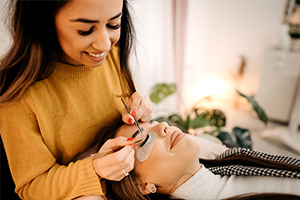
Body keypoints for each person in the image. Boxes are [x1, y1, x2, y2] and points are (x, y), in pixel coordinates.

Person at [0, 0, 154, 199]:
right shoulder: (17, 93)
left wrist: (141, 111)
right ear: (44, 23)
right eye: (85, 30)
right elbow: (32, 186)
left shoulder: (113, 57)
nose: (105, 44)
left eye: (114, 25)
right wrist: (94, 169)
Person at [90, 117, 300, 200]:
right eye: (144, 140)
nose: (163, 126)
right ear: (143, 186)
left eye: (153, 122)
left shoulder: (232, 159)